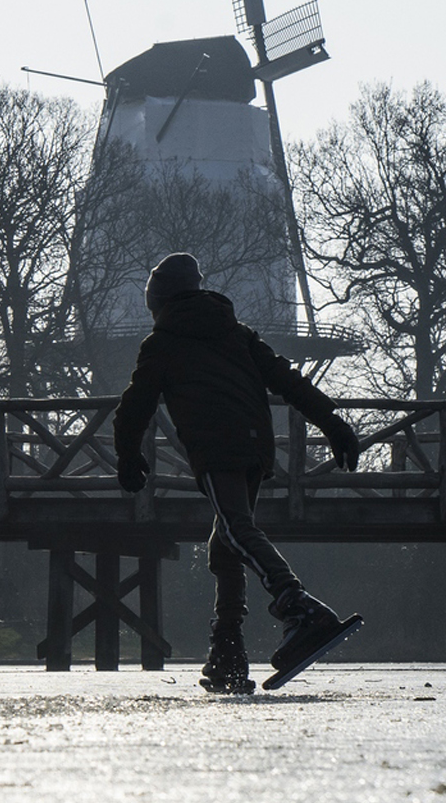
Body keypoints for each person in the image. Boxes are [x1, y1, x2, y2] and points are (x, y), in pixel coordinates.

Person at [111, 252, 365, 693]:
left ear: (159, 301)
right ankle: (227, 653)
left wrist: (127, 455)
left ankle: (298, 606)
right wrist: (335, 423)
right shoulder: (238, 334)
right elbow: (289, 381)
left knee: (235, 526)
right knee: (224, 543)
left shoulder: (164, 342)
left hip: (215, 446)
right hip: (254, 447)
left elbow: (134, 406)